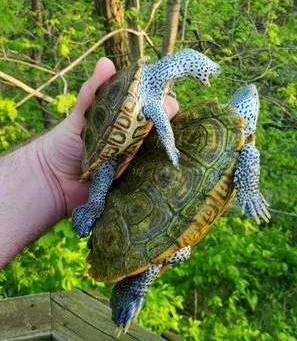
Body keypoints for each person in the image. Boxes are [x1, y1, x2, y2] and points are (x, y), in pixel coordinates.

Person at [0, 57, 179, 269]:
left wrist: (45, 167)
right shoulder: (144, 88)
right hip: (104, 156)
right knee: (101, 184)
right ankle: (91, 209)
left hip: (125, 157)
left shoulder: (154, 89)